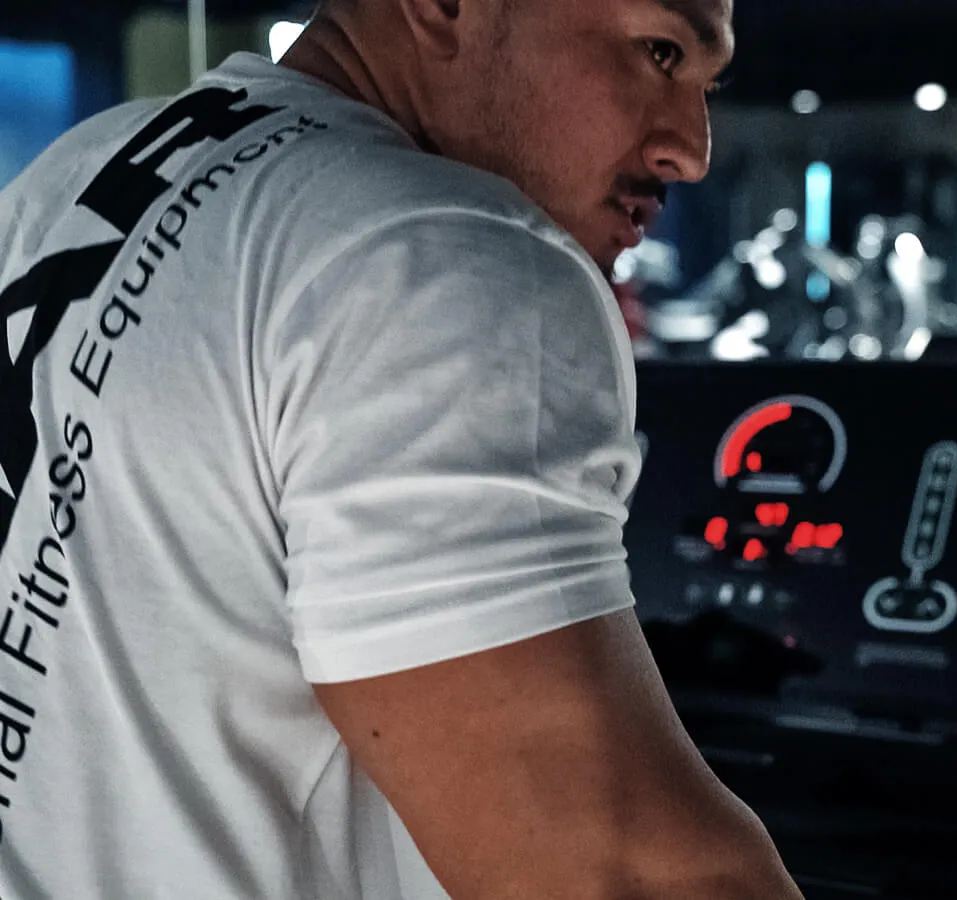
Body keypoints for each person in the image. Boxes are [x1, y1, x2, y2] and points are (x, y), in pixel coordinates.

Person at [0, 0, 805, 896]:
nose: (690, 149)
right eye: (659, 52)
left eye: (706, 86)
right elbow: (622, 876)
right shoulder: (440, 256)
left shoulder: (71, 179)